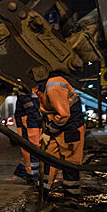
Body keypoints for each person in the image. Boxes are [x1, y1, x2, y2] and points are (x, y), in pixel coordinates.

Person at [34, 72, 85, 202]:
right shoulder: (41, 87)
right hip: (57, 128)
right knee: (48, 160)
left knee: (70, 164)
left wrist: (47, 132)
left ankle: (72, 198)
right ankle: (42, 194)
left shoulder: (53, 86)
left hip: (71, 128)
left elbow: (63, 115)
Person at [13, 89, 42, 184]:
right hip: (29, 123)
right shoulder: (25, 90)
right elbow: (31, 109)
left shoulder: (34, 89)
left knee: (33, 150)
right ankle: (32, 175)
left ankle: (28, 172)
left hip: (32, 122)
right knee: (31, 150)